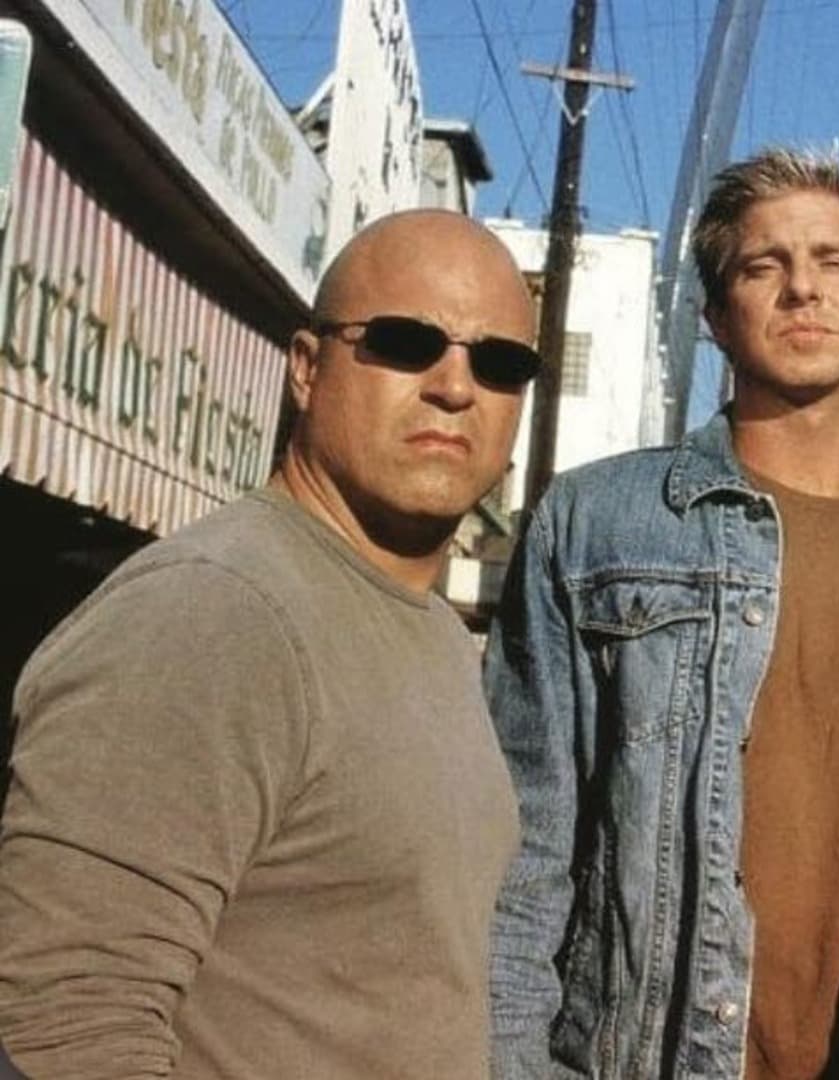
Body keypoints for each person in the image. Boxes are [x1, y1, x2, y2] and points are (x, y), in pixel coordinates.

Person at [485, 146, 839, 1079]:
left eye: (833, 262)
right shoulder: (596, 524)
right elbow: (520, 858)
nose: (802, 289)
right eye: (762, 266)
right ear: (715, 318)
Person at [0, 209, 539, 1078]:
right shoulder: (215, 611)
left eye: (501, 363)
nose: (455, 386)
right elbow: (66, 1019)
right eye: (405, 342)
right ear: (306, 368)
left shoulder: (435, 633)